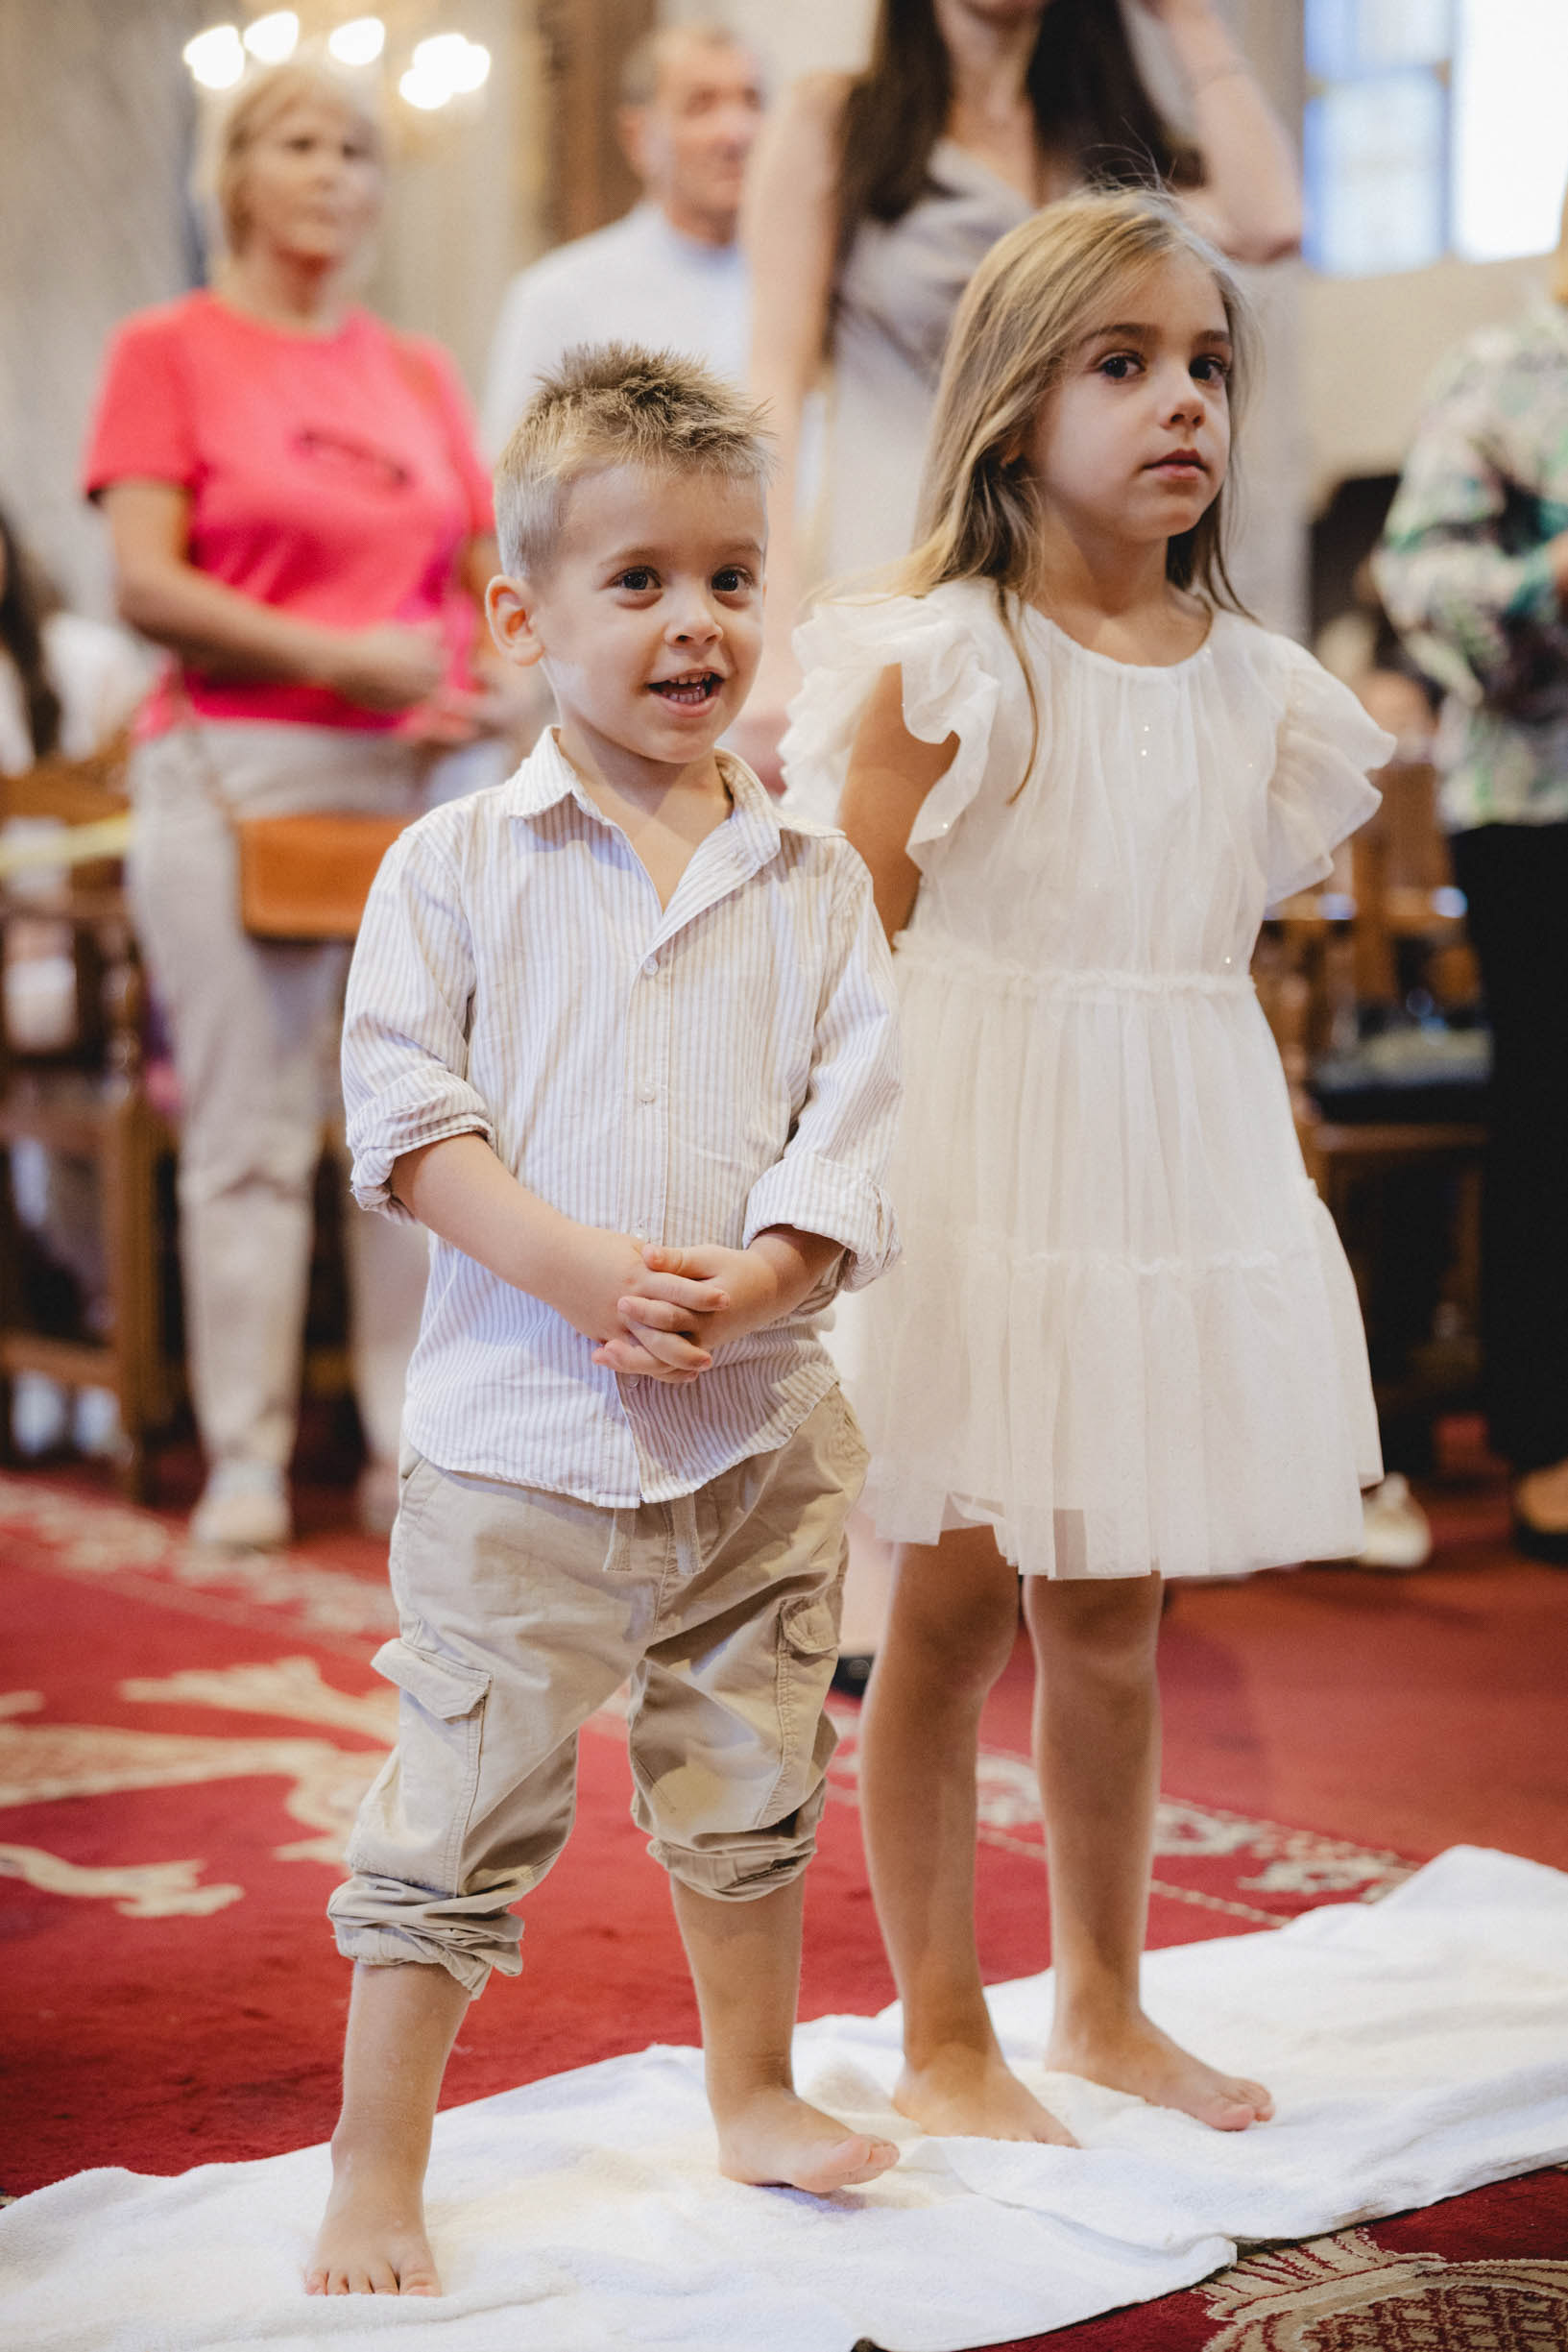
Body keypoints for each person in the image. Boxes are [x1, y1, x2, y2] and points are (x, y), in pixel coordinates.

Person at [781, 190, 1391, 2144]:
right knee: (950, 1620)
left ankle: (1105, 2005)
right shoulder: (944, 659)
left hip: (1160, 1173)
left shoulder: (1256, 687)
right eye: (1120, 364)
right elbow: (848, 955)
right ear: (1010, 405)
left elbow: (1199, 956)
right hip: (977, 1174)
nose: (1180, 400)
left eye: (1204, 363)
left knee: (1115, 1623)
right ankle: (944, 2030)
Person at [307, 344, 903, 2297]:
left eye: (729, 577)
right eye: (635, 579)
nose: (692, 620)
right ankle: (375, 2165)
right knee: (457, 1805)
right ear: (521, 617)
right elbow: (406, 1118)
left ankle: (755, 2089)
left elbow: (853, 1122)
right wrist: (572, 1266)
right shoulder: (454, 864)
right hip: (520, 1444)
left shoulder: (814, 876)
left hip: (755, 1438)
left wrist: (772, 1274)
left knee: (750, 1780)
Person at [83, 53, 519, 1548]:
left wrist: (502, 681)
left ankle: (412, 1446)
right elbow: (145, 582)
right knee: (251, 1135)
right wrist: (341, 655)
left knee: (413, 1135)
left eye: (356, 149)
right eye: (298, 143)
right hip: (230, 771)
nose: (333, 172)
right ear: (235, 176)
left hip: (413, 787)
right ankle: (249, 1458)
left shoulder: (417, 373)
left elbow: (489, 578)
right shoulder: (169, 347)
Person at [738, 0, 1303, 786]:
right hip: (898, 557)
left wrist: (1188, 19)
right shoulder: (838, 121)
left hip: (1078, 586)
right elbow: (774, 380)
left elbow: (1269, 221)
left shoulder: (1105, 140)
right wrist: (766, 638)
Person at [1375, 194, 1568, 1566]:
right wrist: (1551, 575)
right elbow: (1417, 577)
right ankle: (1547, 1438)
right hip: (1540, 802)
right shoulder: (1500, 376)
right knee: (1554, 1110)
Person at [480, 23, 764, 457]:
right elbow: (514, 478)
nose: (736, 133)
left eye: (752, 101)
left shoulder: (818, 287)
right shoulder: (560, 297)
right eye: (700, 106)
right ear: (638, 137)